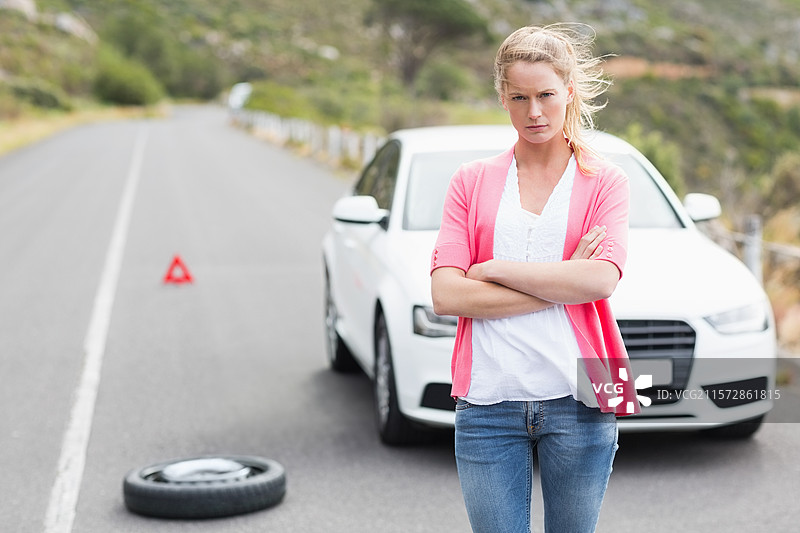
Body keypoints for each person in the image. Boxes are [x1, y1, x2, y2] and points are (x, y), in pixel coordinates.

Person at [430, 24, 640, 533]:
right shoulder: (471, 181)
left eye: (546, 95)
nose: (535, 112)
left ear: (569, 90)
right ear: (503, 97)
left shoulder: (605, 181)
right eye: (520, 97)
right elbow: (445, 293)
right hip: (486, 407)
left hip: (582, 401)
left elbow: (599, 282)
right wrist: (560, 279)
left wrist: (498, 270)